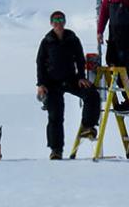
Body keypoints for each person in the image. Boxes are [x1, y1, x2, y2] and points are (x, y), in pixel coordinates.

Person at [36, 11, 100, 160]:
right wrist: (41, 84)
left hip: (71, 79)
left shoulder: (72, 38)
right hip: (52, 83)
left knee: (91, 94)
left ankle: (88, 126)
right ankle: (56, 150)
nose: (58, 23)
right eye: (55, 20)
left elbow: (79, 59)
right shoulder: (46, 41)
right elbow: (40, 63)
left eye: (61, 19)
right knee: (55, 116)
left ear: (64, 22)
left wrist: (81, 77)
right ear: (51, 23)